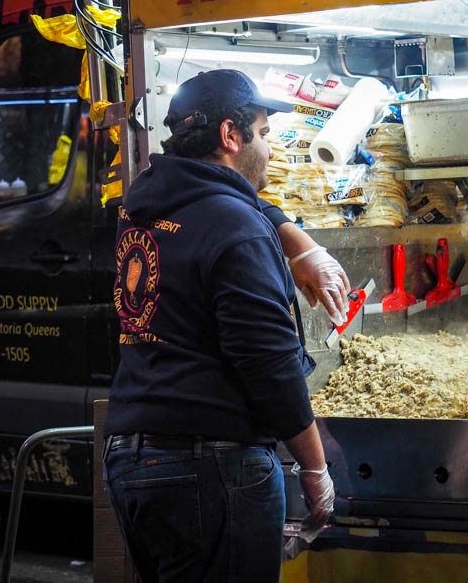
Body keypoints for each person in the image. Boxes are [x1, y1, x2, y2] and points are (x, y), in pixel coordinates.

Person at [104, 69, 350, 582]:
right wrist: (315, 466)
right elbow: (270, 365)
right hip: (211, 466)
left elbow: (223, 196)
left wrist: (297, 239)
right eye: (262, 132)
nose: (269, 147)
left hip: (131, 459)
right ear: (230, 136)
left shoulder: (142, 208)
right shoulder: (236, 228)